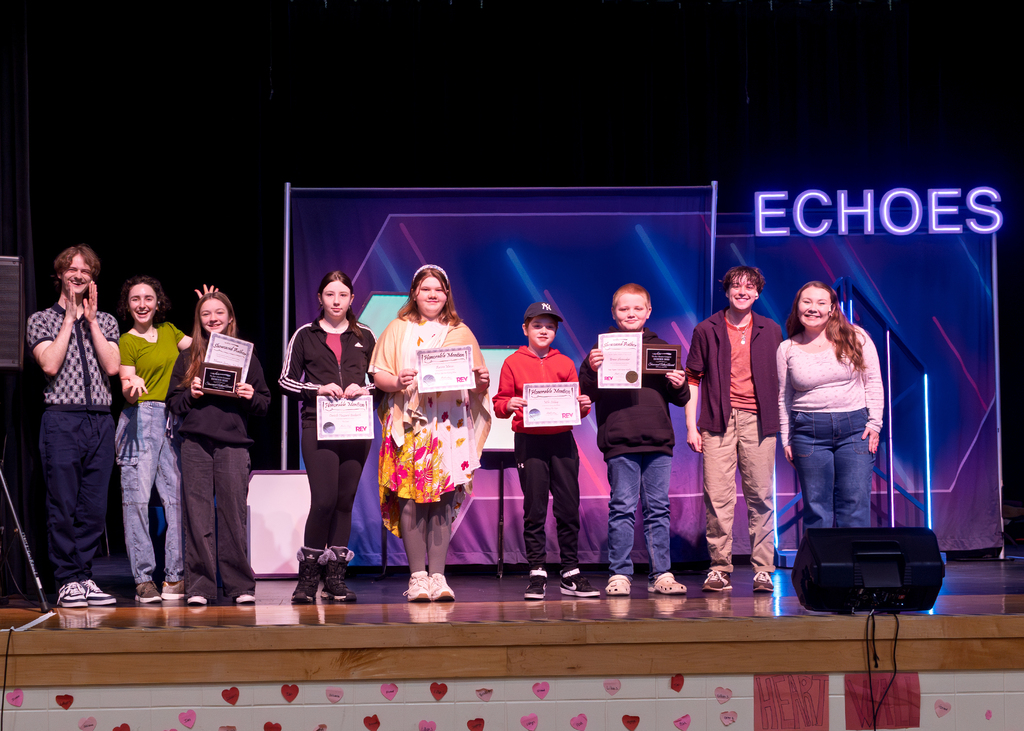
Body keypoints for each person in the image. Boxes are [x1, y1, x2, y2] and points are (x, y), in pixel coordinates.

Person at [370, 265, 491, 603]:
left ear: (447, 295)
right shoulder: (397, 329)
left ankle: (439, 577)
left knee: (442, 502)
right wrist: (398, 381)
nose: (433, 294)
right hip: (411, 427)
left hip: (449, 429)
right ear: (414, 293)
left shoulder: (461, 331)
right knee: (410, 500)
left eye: (439, 289)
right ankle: (417, 578)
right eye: (426, 289)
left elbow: (480, 384)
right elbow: (380, 374)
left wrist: (481, 380)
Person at [579, 283, 689, 597]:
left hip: (658, 441)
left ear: (648, 312)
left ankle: (662, 574)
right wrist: (589, 368)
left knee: (658, 509)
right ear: (614, 313)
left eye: (637, 308)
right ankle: (619, 574)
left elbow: (678, 398)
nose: (631, 314)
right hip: (620, 440)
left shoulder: (662, 348)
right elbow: (588, 393)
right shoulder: (603, 350)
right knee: (622, 508)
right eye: (624, 309)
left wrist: (680, 384)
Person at [27, 245, 121, 608]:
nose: (79, 274)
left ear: (92, 277)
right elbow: (49, 364)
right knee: (63, 504)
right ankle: (66, 579)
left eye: (85, 270)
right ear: (61, 274)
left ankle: (84, 576)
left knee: (94, 507)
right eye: (72, 269)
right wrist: (69, 318)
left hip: (100, 419)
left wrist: (92, 320)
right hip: (61, 420)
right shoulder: (41, 319)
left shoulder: (107, 321)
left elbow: (112, 367)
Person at [167, 292, 271, 605]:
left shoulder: (246, 357)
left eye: (219, 312)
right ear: (199, 320)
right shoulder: (188, 357)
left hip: (234, 445)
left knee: (232, 517)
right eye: (206, 313)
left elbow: (264, 404)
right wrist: (192, 393)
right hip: (196, 444)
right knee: (197, 517)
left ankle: (240, 586)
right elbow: (173, 402)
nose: (213, 318)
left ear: (230, 318)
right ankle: (200, 587)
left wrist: (249, 394)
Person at [279, 271, 376, 603]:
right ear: (320, 298)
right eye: (330, 294)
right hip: (317, 426)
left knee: (344, 502)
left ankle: (335, 578)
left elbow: (380, 381)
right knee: (323, 501)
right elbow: (285, 381)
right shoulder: (305, 335)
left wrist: (365, 389)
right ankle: (307, 579)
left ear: (352, 299)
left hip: (357, 429)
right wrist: (317, 389)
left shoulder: (365, 335)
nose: (336, 301)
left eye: (343, 295)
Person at [684, 266, 782, 593]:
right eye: (736, 287)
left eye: (749, 287)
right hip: (717, 421)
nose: (742, 292)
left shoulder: (771, 330)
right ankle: (719, 568)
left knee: (761, 497)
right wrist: (691, 426)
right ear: (727, 291)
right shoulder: (706, 329)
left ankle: (763, 569)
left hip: (759, 420)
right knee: (718, 497)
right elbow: (692, 379)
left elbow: (782, 384)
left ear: (757, 293)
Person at [493, 302, 597, 601]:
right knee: (535, 509)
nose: (544, 331)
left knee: (567, 507)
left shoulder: (564, 362)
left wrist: (583, 405)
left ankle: (570, 572)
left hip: (562, 441)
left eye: (550, 326)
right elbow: (500, 402)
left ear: (556, 331)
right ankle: (537, 571)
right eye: (537, 325)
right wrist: (508, 404)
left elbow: (577, 405)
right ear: (525, 329)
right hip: (530, 443)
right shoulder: (513, 362)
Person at [776, 281, 883, 529]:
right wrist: (786, 439)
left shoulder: (856, 337)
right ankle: (821, 568)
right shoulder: (787, 348)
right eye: (807, 302)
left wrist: (875, 424)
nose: (813, 308)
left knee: (854, 506)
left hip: (856, 430)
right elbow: (784, 397)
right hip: (808, 433)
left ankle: (855, 568)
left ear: (832, 309)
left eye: (821, 303)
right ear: (797, 307)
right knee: (817, 509)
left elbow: (873, 381)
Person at [116, 275, 191, 603]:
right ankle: (143, 578)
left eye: (148, 298)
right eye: (136, 299)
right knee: (136, 501)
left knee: (176, 501)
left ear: (158, 302)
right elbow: (126, 385)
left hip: (172, 418)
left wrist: (212, 311)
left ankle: (174, 577)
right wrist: (132, 390)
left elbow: (204, 347)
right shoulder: (127, 341)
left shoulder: (170, 332)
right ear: (128, 305)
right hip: (140, 417)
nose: (142, 304)